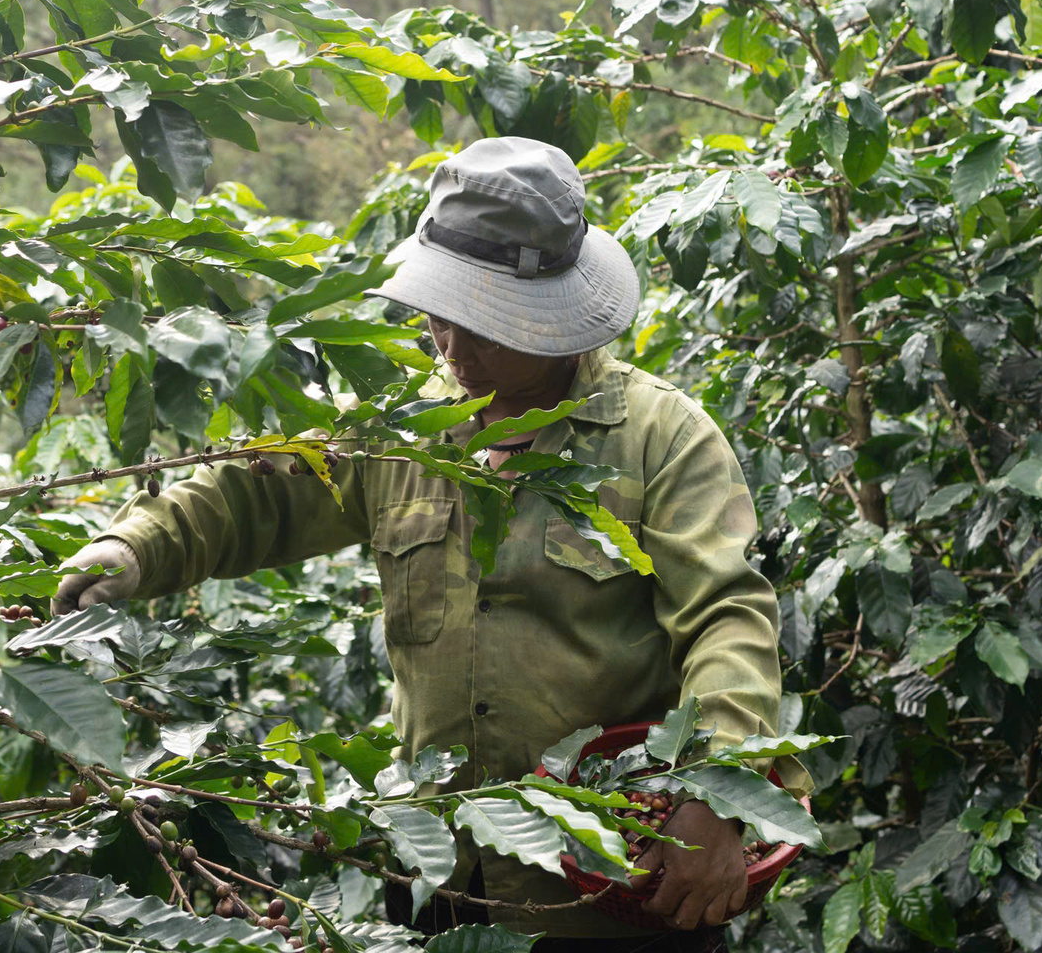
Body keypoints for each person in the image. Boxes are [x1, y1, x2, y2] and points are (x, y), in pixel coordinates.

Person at [56, 138, 792, 950]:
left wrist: (715, 791)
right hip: (439, 873)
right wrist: (135, 547)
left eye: (485, 325)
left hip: (610, 888)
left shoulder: (661, 437)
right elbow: (257, 495)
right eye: (442, 315)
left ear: (554, 312)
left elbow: (727, 617)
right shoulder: (400, 425)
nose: (453, 347)